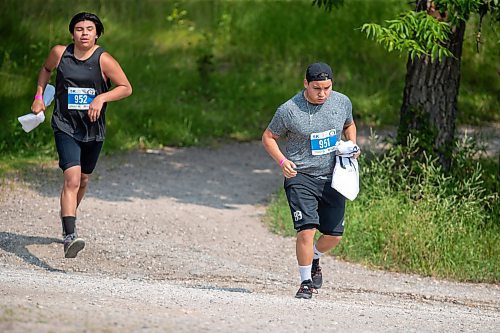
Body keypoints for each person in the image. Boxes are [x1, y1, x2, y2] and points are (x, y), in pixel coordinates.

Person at [31, 12, 132, 258]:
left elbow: (126, 88)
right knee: (72, 180)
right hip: (65, 125)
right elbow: (45, 70)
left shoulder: (103, 59)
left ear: (97, 33)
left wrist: (101, 97)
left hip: (93, 129)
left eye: (89, 29)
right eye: (79, 29)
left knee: (84, 180)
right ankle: (70, 236)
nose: (84, 33)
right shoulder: (59, 53)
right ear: (72, 33)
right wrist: (38, 97)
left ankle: (68, 217)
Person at [262, 62, 359, 299]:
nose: (322, 93)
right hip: (300, 176)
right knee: (307, 230)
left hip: (333, 176)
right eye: (316, 88)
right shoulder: (289, 110)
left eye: (327, 88)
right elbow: (268, 137)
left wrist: (351, 145)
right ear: (306, 84)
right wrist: (283, 162)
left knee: (334, 235)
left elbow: (349, 124)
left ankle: (315, 257)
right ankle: (305, 282)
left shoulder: (342, 102)